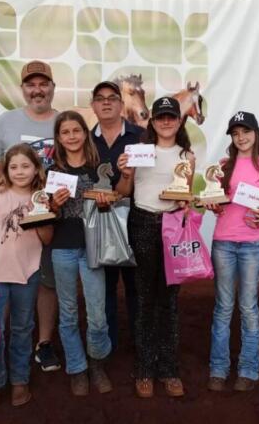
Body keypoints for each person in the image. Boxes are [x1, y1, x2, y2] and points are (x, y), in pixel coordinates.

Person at [116, 97, 195, 398]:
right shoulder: (139, 153)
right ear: (152, 121)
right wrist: (125, 174)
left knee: (170, 299)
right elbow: (124, 192)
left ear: (178, 120)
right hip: (144, 223)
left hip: (173, 226)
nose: (165, 122)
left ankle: (169, 369)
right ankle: (145, 368)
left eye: (170, 117)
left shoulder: (186, 155)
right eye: (160, 117)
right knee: (146, 297)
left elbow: (185, 197)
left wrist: (186, 207)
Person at [0, 60, 61, 372]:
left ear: (52, 88)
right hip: (13, 216)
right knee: (6, 278)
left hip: (53, 212)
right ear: (23, 89)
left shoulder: (64, 121)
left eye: (43, 84)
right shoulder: (5, 121)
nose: (37, 90)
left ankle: (43, 343)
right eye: (31, 85)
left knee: (48, 280)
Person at [204, 111, 259, 392]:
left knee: (248, 307)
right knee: (223, 307)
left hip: (251, 245)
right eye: (236, 134)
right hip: (223, 241)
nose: (241, 137)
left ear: (255, 133)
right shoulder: (223, 166)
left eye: (245, 132)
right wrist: (213, 205)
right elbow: (216, 200)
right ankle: (218, 368)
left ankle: (248, 368)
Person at [0, 143, 54, 410]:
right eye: (14, 166)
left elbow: (46, 238)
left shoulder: (41, 197)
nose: (20, 172)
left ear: (36, 169)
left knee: (22, 329)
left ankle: (20, 379)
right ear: (6, 169)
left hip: (27, 273)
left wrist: (41, 214)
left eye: (26, 166)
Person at [48, 111, 113, 396]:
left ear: (85, 134)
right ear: (59, 138)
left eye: (77, 130)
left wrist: (104, 202)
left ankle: (97, 362)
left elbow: (112, 206)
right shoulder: (51, 170)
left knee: (98, 314)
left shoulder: (98, 167)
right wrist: (53, 205)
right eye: (66, 132)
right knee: (69, 312)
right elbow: (44, 213)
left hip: (92, 247)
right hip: (62, 247)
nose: (72, 136)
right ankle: (77, 368)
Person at [89, 81, 145, 352]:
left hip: (137, 222)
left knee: (136, 287)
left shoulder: (141, 136)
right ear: (93, 106)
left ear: (122, 105)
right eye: (100, 99)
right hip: (99, 224)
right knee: (105, 287)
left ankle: (139, 343)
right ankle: (108, 344)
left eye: (112, 98)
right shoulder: (85, 140)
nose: (107, 102)